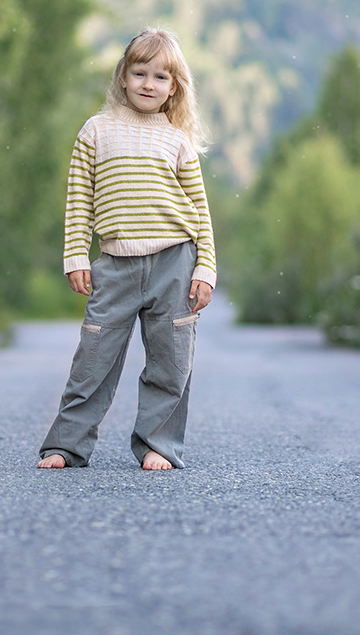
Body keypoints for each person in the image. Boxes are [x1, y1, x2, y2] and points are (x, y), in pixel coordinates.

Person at [37, 28, 215, 471]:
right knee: (93, 358)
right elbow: (79, 198)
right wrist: (76, 255)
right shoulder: (96, 131)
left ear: (174, 87)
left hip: (175, 261)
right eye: (139, 73)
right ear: (123, 76)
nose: (148, 84)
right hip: (114, 265)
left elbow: (201, 212)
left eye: (160, 77)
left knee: (171, 361)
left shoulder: (177, 141)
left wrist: (204, 269)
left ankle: (160, 444)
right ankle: (68, 445)